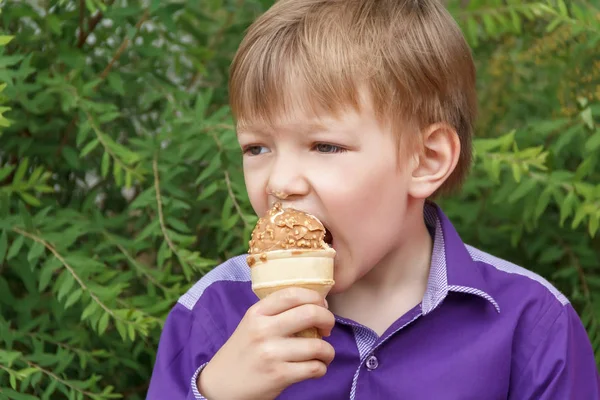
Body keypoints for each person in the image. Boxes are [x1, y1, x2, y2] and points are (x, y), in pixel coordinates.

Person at [147, 0, 600, 398]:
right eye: (256, 148)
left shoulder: (533, 324)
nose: (279, 182)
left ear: (425, 159)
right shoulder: (209, 316)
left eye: (325, 146)